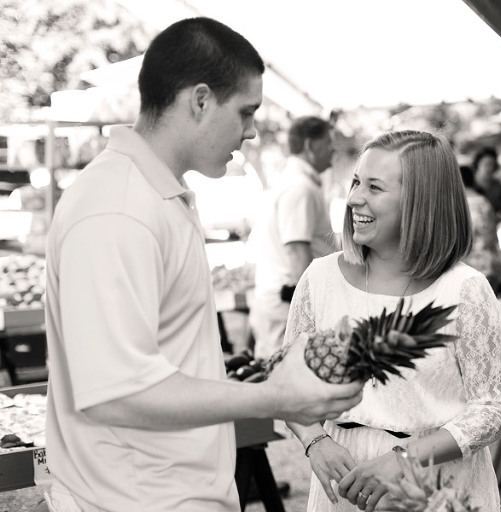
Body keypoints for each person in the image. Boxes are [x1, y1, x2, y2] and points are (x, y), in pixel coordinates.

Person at [43, 18, 363, 512]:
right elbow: (114, 394)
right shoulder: (118, 208)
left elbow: (162, 362)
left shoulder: (156, 193)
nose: (253, 131)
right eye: (246, 112)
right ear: (199, 100)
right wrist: (276, 398)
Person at [283, 131, 501, 511]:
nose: (355, 197)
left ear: (421, 203)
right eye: (356, 181)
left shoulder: (465, 291)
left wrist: (405, 459)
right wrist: (316, 443)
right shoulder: (318, 280)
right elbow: (290, 385)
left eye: (375, 187)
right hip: (344, 487)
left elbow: (492, 409)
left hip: (437, 483)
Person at [249, 115, 337, 360]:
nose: (333, 149)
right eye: (329, 142)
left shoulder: (296, 181)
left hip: (284, 301)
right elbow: (297, 250)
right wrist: (316, 309)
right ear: (310, 145)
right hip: (287, 303)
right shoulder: (300, 187)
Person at [460, 164, 501, 287]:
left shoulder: (457, 204)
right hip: (487, 261)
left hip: (468, 264)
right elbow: (491, 232)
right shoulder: (483, 201)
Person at [472, 146, 501, 222]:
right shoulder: (469, 184)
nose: (490, 168)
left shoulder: (498, 187)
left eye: (492, 164)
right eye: (486, 164)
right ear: (477, 164)